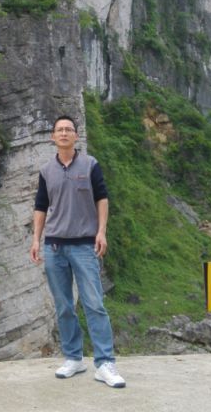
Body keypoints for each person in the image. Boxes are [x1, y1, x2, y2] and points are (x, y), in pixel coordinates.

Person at [29, 115, 125, 388]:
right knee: (63, 306)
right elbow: (41, 206)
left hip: (84, 245)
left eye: (68, 129)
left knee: (94, 304)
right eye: (59, 130)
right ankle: (74, 358)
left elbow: (102, 198)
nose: (64, 133)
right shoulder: (46, 170)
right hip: (54, 246)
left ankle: (105, 363)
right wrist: (36, 240)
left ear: (75, 135)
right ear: (53, 136)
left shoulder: (90, 164)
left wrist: (101, 231)